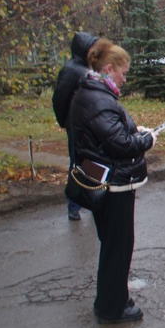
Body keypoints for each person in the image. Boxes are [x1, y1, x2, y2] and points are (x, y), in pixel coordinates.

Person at [70, 38, 157, 323]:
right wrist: (146, 139)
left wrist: (134, 130)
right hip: (114, 183)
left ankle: (112, 299)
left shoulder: (93, 92)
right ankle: (112, 307)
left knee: (113, 245)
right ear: (108, 68)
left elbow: (109, 133)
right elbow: (119, 144)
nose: (125, 77)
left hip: (106, 178)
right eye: (123, 71)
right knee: (117, 247)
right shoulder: (97, 97)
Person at [52, 31, 98, 221]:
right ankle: (73, 204)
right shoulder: (71, 70)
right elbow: (59, 99)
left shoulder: (87, 68)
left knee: (92, 163)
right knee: (78, 163)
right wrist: (66, 121)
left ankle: (92, 198)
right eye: (92, 49)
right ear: (84, 49)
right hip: (77, 126)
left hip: (92, 124)